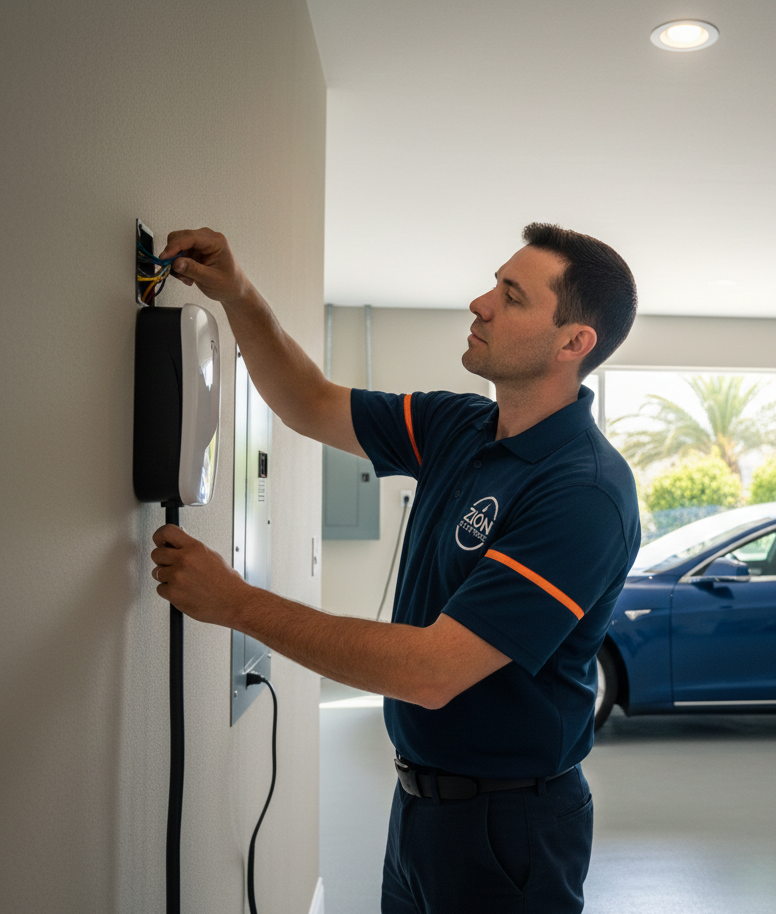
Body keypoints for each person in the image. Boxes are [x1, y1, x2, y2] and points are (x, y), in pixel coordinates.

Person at [150, 223, 641, 913]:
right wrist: (237, 294)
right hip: (418, 809)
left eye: (511, 295)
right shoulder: (460, 428)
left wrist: (236, 604)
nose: (480, 303)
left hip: (508, 831)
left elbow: (430, 672)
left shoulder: (583, 493)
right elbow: (309, 402)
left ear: (572, 343)